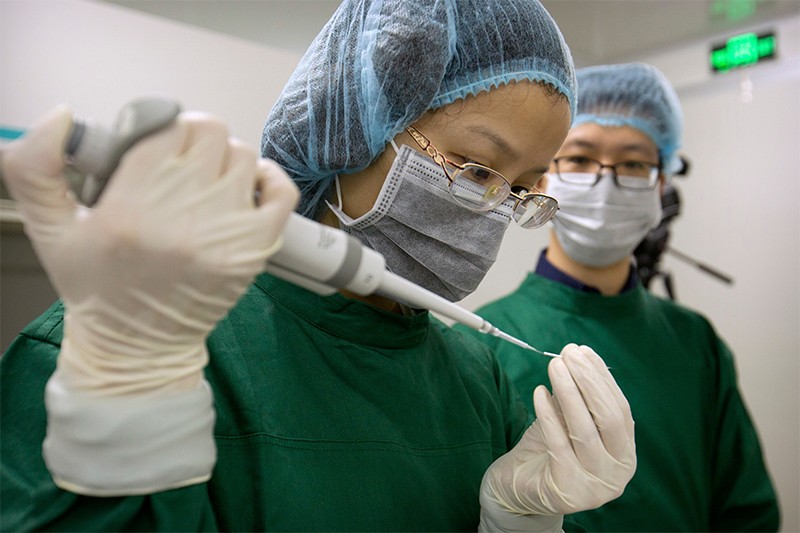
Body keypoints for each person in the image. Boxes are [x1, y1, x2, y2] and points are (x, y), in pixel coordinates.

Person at [0, 1, 637, 531]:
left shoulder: (475, 374)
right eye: (475, 169)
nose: (494, 210)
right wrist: (115, 404)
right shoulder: (130, 344)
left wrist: (516, 519)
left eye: (523, 189)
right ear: (353, 127)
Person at [458, 62, 780, 531]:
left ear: (662, 185)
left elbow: (746, 512)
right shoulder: (480, 345)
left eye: (633, 164)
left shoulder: (695, 342)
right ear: (543, 178)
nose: (606, 180)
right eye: (581, 158)